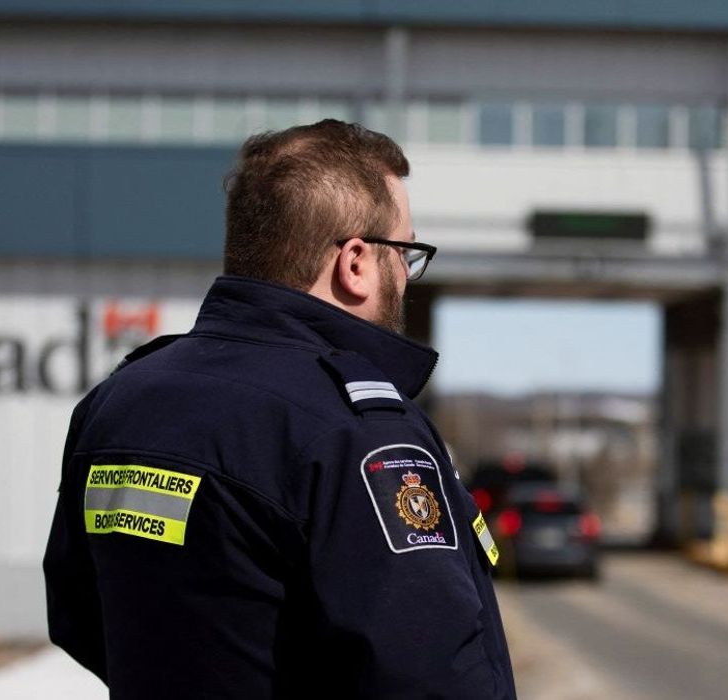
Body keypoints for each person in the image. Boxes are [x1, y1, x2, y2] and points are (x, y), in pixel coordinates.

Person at [43, 119, 517, 698]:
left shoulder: (120, 400)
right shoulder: (357, 432)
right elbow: (434, 676)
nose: (406, 274)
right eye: (407, 253)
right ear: (357, 262)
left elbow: (79, 615)